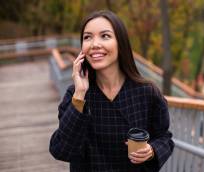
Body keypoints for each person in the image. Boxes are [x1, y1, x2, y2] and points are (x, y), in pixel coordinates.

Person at [49, 10, 174, 172]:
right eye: (87, 37)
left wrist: (152, 151)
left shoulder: (147, 93)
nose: (94, 44)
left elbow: (165, 138)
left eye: (105, 36)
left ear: (120, 43)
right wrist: (80, 94)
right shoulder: (75, 95)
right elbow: (61, 149)